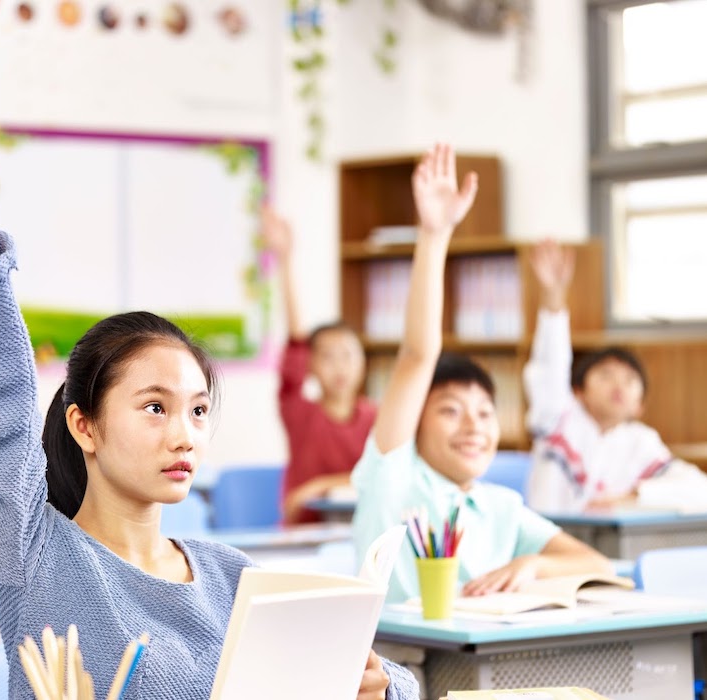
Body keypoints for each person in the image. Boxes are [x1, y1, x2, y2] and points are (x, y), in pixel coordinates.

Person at [0, 34, 418, 700]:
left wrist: (379, 686)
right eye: (154, 407)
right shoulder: (35, 552)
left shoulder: (232, 576)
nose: (183, 433)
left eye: (198, 410)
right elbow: (4, 381)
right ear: (85, 425)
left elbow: (404, 685)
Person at [350, 145, 611, 603]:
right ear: (416, 421)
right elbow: (417, 354)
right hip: (400, 665)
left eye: (485, 413)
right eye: (451, 411)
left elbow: (596, 565)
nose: (474, 426)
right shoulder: (393, 476)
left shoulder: (499, 506)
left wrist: (532, 563)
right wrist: (435, 236)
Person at [523, 240, 707, 513]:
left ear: (639, 405)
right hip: (549, 545)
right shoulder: (558, 417)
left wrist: (635, 495)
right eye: (606, 375)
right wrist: (553, 298)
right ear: (579, 391)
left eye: (631, 381)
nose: (619, 385)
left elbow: (700, 491)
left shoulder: (640, 441)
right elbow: (550, 364)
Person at [261, 205, 375, 524]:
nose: (340, 366)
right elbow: (297, 340)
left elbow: (384, 477)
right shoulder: (300, 412)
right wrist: (285, 260)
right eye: (327, 356)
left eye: (349, 355)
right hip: (302, 536)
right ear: (310, 365)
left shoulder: (376, 417)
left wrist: (318, 486)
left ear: (363, 362)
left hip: (359, 533)